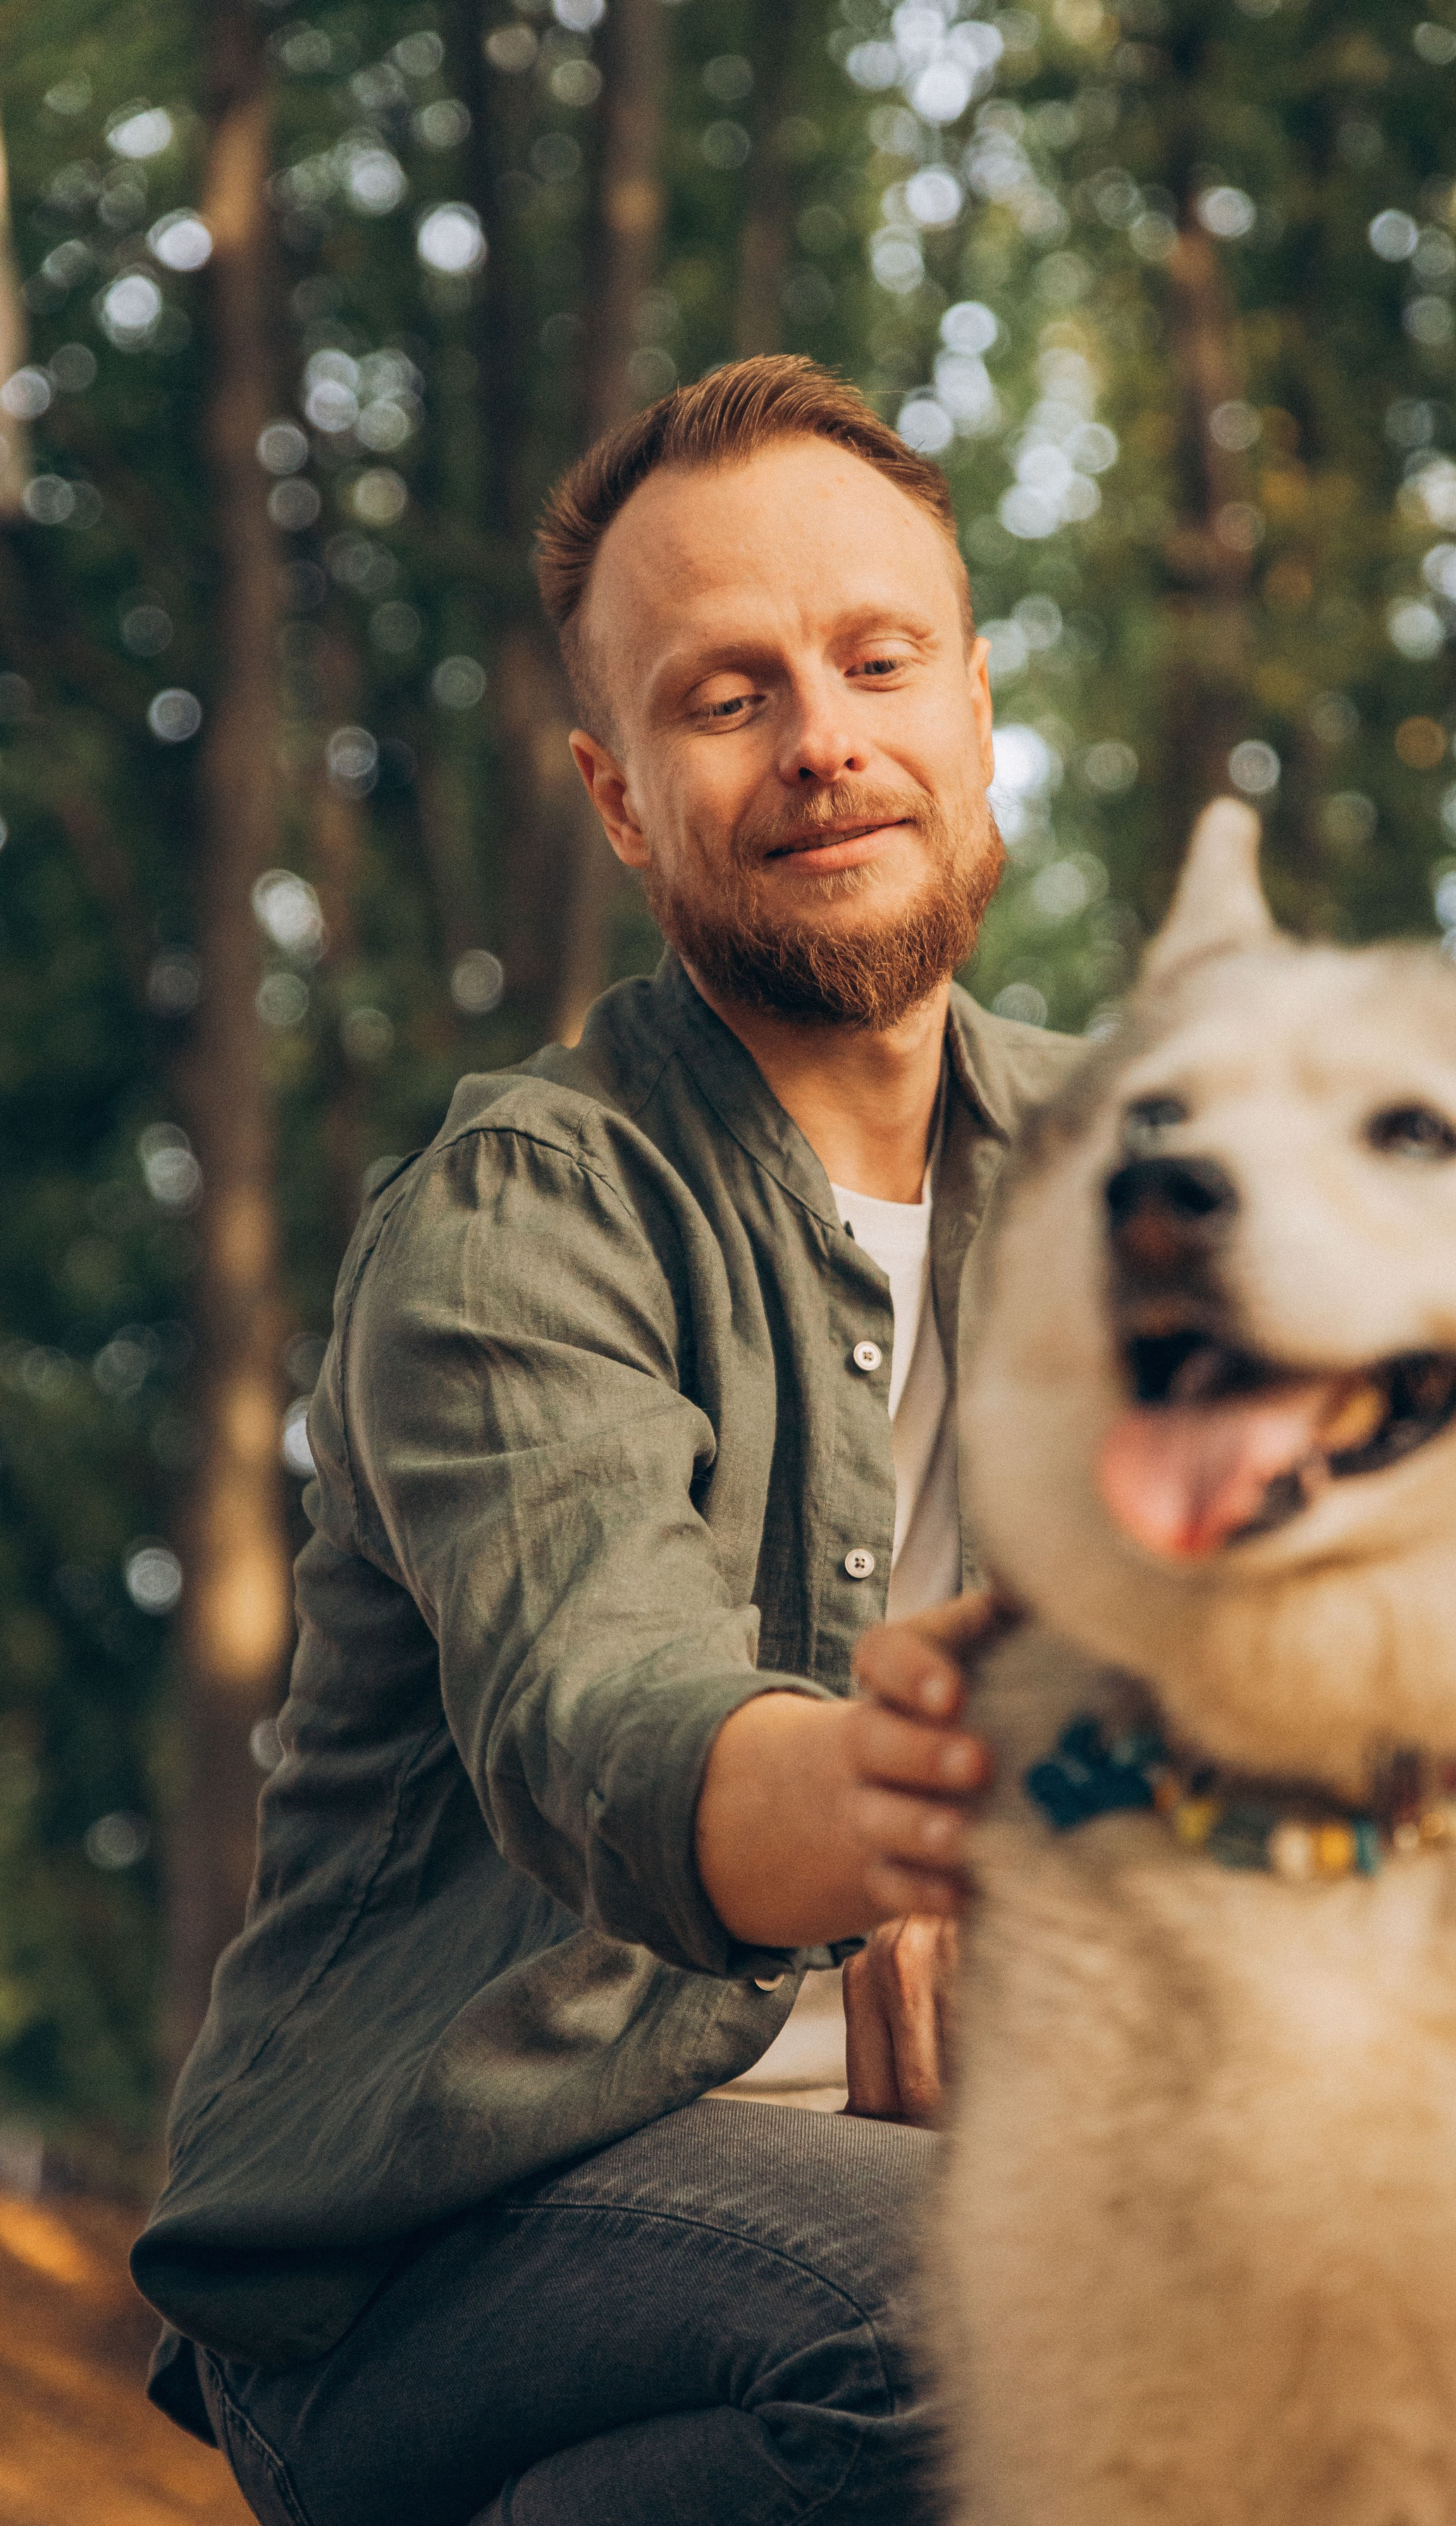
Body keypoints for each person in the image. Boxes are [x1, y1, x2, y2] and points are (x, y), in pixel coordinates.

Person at [131, 355, 1082, 2526]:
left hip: (910, 2196)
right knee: (1033, 2323)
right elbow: (619, 1732)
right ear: (622, 797)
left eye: (877, 662)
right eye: (728, 697)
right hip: (438, 2236)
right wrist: (952, 1803)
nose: (824, 738)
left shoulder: (1152, 1168)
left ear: (974, 710)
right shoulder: (516, 1219)